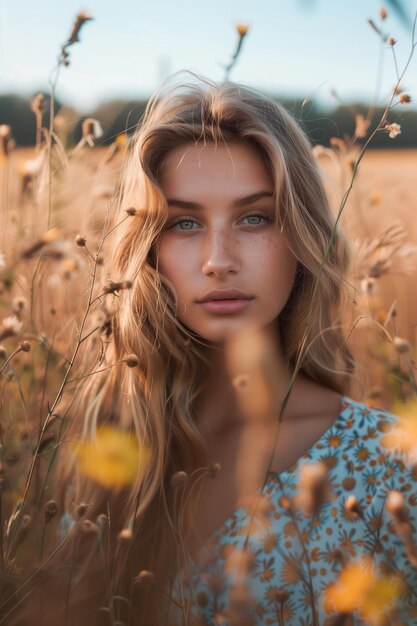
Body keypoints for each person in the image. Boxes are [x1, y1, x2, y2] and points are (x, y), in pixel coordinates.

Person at [8, 70, 417, 626]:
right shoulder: (107, 458)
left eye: (255, 217)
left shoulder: (391, 469)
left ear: (302, 237)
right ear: (147, 249)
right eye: (183, 223)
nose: (217, 259)